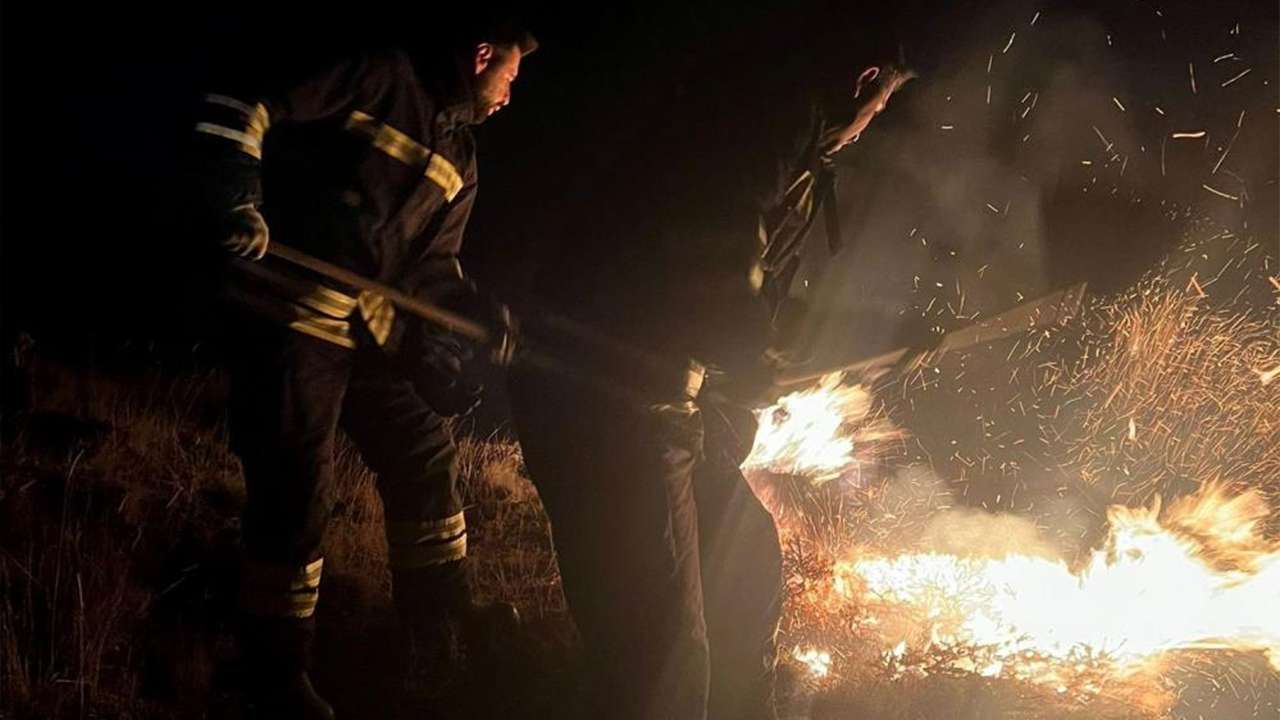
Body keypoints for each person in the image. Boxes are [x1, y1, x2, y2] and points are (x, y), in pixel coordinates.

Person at [509, 7, 913, 718]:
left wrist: (732, 394)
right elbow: (717, 242)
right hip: (605, 396)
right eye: (878, 106)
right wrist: (747, 350)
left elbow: (745, 290)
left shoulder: (799, 157)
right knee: (659, 654)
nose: (869, 125)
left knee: (745, 570)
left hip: (663, 399)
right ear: (864, 79)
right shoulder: (767, 115)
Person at [190, 15, 536, 718]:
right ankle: (274, 673)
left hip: (365, 334)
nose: (509, 94)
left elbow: (432, 270)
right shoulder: (380, 75)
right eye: (510, 75)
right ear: (481, 55)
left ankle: (437, 624)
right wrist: (235, 198)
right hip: (289, 317)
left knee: (424, 454)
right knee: (295, 489)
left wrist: (474, 312)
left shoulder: (460, 157)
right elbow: (247, 101)